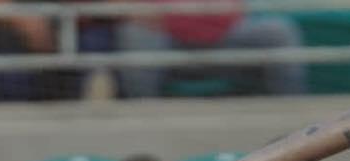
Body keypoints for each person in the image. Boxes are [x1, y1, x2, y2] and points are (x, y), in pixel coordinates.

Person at [115, 2, 305, 100]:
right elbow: (129, 8)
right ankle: (145, 111)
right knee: (134, 33)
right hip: (166, 39)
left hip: (224, 38)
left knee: (278, 30)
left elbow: (233, 10)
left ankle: (292, 110)